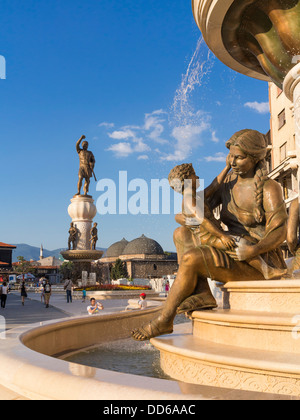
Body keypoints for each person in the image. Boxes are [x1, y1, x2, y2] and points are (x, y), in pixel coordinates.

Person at [132, 129, 288, 341]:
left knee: (192, 258)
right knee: (181, 233)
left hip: (256, 257)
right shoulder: (228, 185)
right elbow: (198, 211)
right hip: (230, 246)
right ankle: (203, 292)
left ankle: (164, 319)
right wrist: (182, 218)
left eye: (239, 158)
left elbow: (280, 231)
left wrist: (255, 249)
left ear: (255, 158)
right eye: (230, 156)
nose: (232, 162)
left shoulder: (270, 188)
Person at [168, 161, 287, 280]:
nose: (198, 177)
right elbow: (203, 221)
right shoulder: (189, 201)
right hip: (209, 237)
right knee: (240, 244)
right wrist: (222, 236)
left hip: (215, 233)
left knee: (242, 242)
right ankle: (266, 271)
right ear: (186, 181)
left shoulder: (197, 196)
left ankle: (265, 269)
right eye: (194, 175)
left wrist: (227, 167)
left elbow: (215, 185)